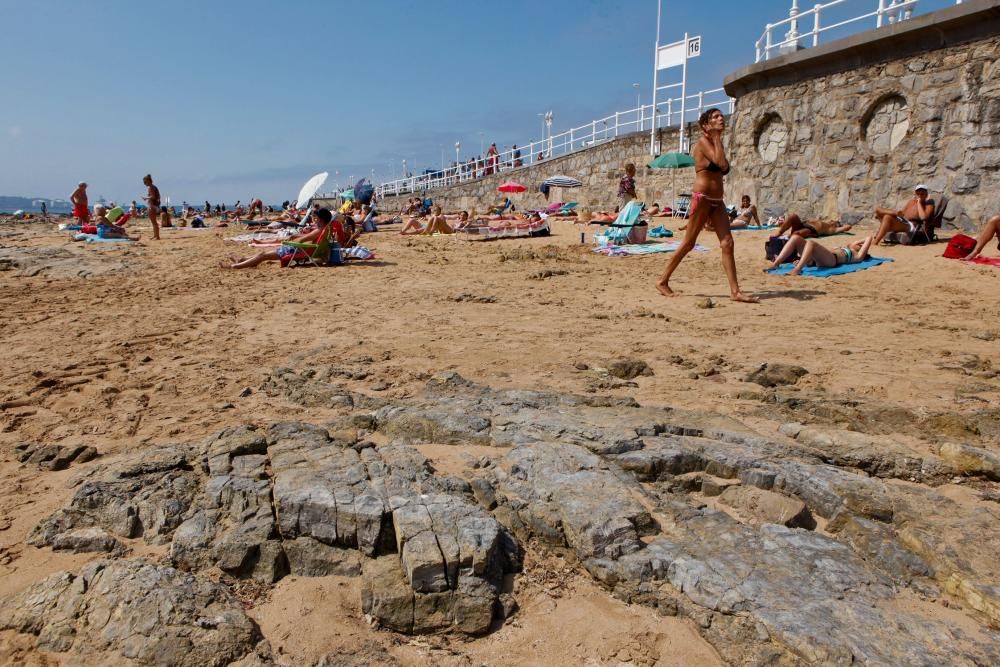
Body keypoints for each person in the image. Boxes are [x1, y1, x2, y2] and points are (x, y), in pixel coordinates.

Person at [655, 108, 757, 303]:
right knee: (689, 243)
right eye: (715, 117)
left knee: (727, 242)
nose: (721, 119)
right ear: (705, 125)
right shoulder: (703, 142)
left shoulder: (716, 142)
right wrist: (717, 138)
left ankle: (735, 291)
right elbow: (720, 162)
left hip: (717, 201)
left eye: (721, 116)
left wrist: (717, 140)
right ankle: (662, 280)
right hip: (702, 198)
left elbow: (725, 168)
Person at [221, 208, 333, 269]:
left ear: (321, 219)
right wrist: (295, 236)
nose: (315, 218)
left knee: (262, 255)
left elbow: (303, 240)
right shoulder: (322, 229)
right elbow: (306, 237)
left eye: (316, 217)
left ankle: (235, 266)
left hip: (299, 250)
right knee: (263, 254)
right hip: (302, 249)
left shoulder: (319, 230)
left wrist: (292, 242)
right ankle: (242, 259)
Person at [765, 235, 873, 275]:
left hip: (832, 261)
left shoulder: (858, 256)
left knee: (811, 243)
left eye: (861, 245)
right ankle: (776, 263)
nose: (860, 244)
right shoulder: (849, 247)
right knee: (795, 237)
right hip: (818, 260)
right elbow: (853, 243)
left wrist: (861, 245)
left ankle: (798, 269)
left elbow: (869, 238)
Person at [773, 213, 854, 239]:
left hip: (811, 231)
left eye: (835, 222)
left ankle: (787, 237)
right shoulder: (825, 221)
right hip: (803, 224)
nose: (833, 220)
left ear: (836, 225)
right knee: (792, 216)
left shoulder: (833, 229)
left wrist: (841, 225)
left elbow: (848, 227)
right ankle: (780, 232)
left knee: (796, 234)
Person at [142, 175, 161, 240]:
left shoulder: (151, 187)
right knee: (154, 222)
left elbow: (153, 197)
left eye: (145, 182)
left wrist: (145, 198)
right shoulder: (154, 187)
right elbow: (157, 197)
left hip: (152, 206)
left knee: (154, 222)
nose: (144, 183)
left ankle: (157, 236)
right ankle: (155, 235)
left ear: (148, 181)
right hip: (155, 205)